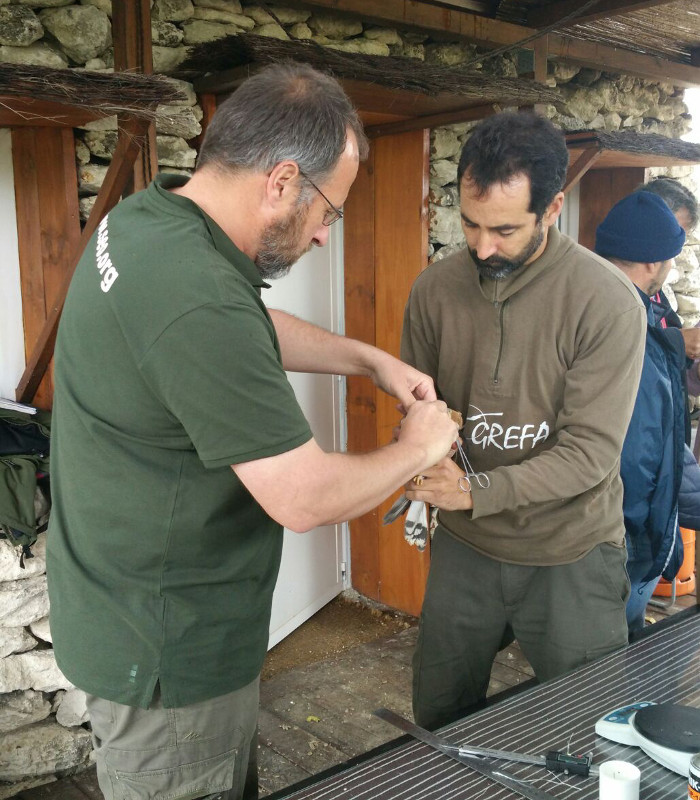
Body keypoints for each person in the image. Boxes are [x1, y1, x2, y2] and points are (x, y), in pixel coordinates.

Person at [46, 63, 459, 800]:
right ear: (280, 181)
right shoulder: (197, 296)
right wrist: (419, 447)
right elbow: (302, 498)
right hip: (171, 655)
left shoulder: (150, 221)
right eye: (330, 209)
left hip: (125, 608)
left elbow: (237, 327)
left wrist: (366, 360)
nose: (327, 236)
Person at [400, 111, 646, 730]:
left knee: (592, 728)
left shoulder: (606, 301)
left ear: (553, 206)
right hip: (467, 547)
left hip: (571, 549)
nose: (483, 247)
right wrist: (422, 454)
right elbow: (422, 407)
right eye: (471, 224)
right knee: (439, 717)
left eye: (505, 229)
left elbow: (590, 453)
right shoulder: (432, 291)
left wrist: (473, 490)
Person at [594, 192, 688, 634]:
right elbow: (637, 455)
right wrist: (640, 548)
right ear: (653, 261)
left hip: (603, 540)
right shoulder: (632, 328)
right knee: (607, 666)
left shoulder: (591, 302)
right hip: (620, 548)